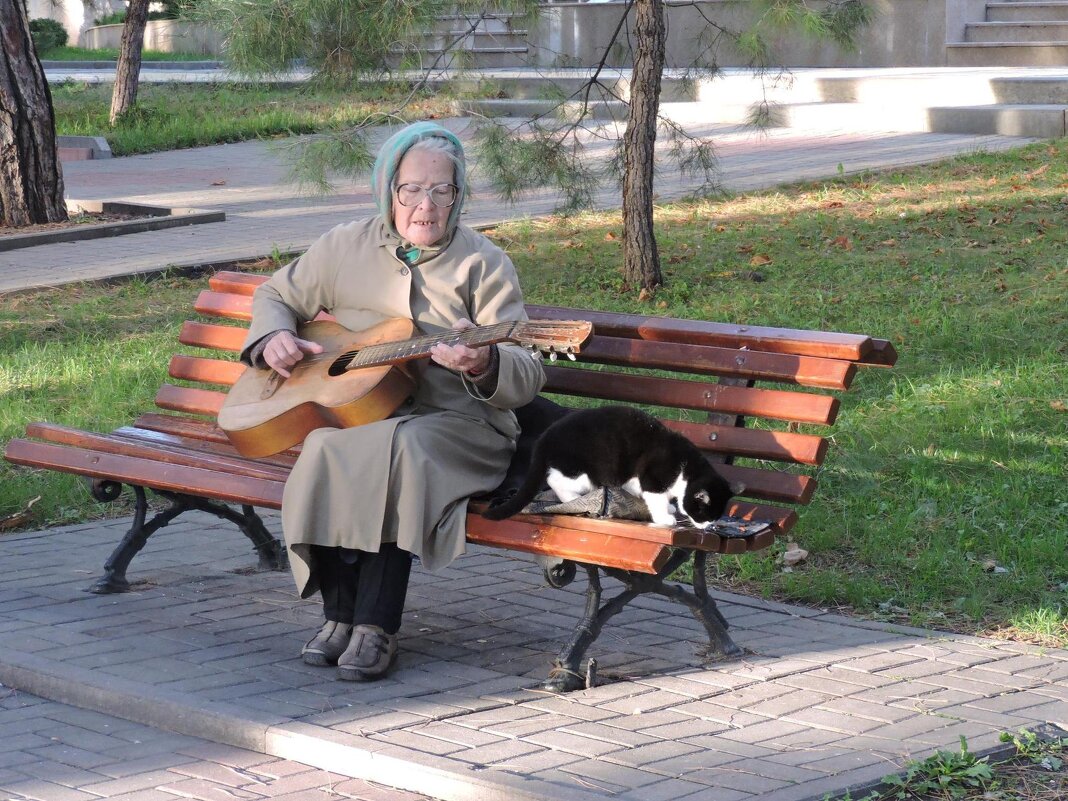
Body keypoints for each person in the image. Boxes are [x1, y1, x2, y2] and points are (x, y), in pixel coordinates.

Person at [239, 122, 546, 681]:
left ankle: (375, 625)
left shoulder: (484, 263)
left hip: (460, 428)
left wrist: (485, 362)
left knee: (396, 447)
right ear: (388, 190)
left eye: (441, 191)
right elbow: (275, 293)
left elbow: (527, 371)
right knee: (327, 446)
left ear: (459, 196)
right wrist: (271, 338)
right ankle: (339, 615)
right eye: (411, 189)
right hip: (364, 417)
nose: (425, 206)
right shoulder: (344, 246)